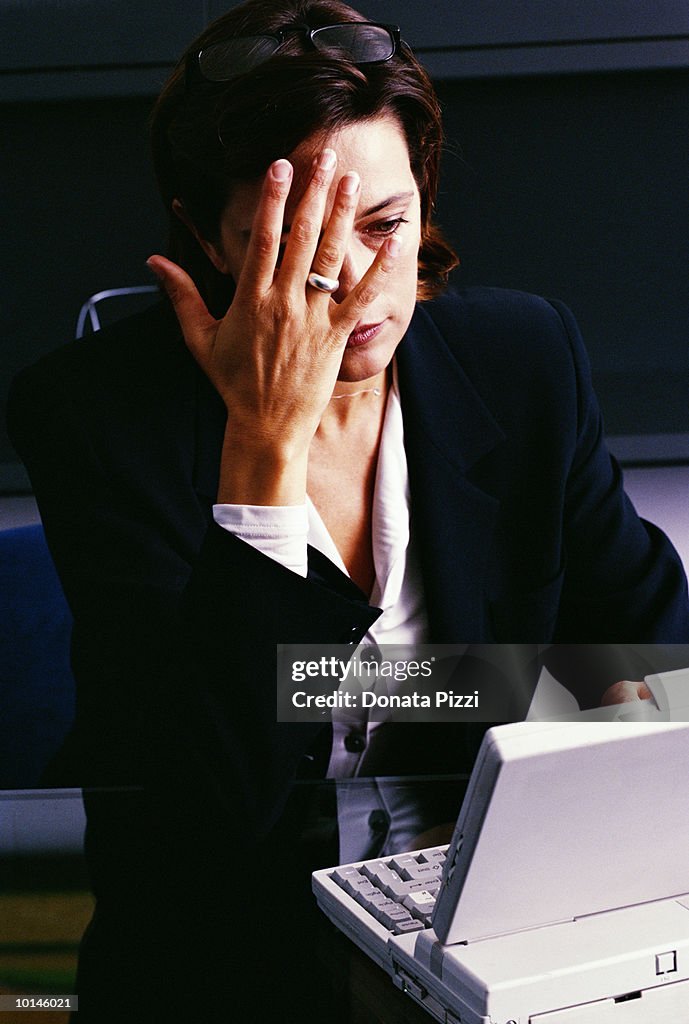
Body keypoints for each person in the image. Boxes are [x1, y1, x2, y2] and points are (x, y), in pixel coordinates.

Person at [7, 0, 689, 1019]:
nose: (361, 287)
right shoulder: (93, 415)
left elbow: (650, 664)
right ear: (208, 236)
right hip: (223, 940)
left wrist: (396, 690)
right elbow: (209, 802)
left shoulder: (523, 359)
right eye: (295, 245)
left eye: (385, 223)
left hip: (490, 901)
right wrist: (263, 444)